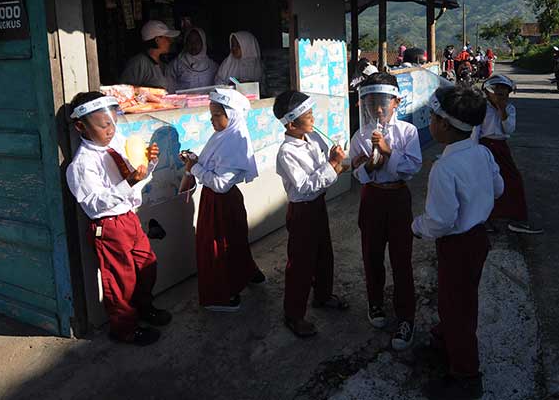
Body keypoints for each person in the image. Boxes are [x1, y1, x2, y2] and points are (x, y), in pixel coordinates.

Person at [412, 85, 504, 400]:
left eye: (434, 118)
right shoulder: (483, 152)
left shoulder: (444, 168)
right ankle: (444, 339)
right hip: (478, 239)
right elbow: (499, 189)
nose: (431, 122)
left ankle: (466, 375)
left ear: (447, 126)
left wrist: (417, 227)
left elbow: (441, 221)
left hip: (457, 245)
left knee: (458, 307)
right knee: (460, 299)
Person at [66, 92, 172, 346]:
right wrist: (128, 183)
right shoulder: (82, 164)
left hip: (129, 218)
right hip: (109, 225)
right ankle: (124, 327)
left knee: (147, 265)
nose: (111, 129)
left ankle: (143, 307)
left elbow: (137, 177)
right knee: (120, 278)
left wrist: (150, 161)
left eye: (113, 122)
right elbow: (94, 203)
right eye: (104, 125)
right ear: (81, 126)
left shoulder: (115, 145)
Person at [349, 73, 422, 350]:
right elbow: (357, 174)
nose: (377, 109)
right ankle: (375, 302)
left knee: (402, 259)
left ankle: (406, 316)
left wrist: (389, 152)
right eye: (371, 103)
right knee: (372, 253)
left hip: (397, 197)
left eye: (383, 103)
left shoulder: (407, 132)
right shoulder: (360, 135)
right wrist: (368, 166)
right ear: (363, 104)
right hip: (372, 199)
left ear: (396, 102)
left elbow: (413, 168)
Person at [179, 89, 266, 312]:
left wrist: (194, 167)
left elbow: (220, 184)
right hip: (219, 201)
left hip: (221, 201)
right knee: (234, 240)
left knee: (216, 246)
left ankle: (219, 295)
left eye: (217, 115)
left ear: (233, 115)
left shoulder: (235, 142)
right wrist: (197, 161)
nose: (212, 120)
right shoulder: (223, 135)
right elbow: (214, 167)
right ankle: (245, 273)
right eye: (211, 115)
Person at [274, 91, 349, 337]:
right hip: (302, 211)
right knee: (301, 263)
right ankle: (294, 314)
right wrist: (332, 165)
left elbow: (326, 170)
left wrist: (337, 163)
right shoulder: (287, 152)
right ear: (291, 124)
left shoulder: (312, 136)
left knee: (324, 253)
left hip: (317, 206)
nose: (313, 119)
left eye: (311, 113)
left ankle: (323, 295)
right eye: (307, 116)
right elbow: (305, 185)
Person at [479, 76, 543, 235]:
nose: (501, 97)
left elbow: (508, 129)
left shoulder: (510, 109)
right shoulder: (482, 108)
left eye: (505, 94)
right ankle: (484, 219)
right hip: (484, 146)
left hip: (501, 147)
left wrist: (502, 109)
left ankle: (517, 218)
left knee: (512, 180)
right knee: (483, 182)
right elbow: (475, 130)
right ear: (489, 93)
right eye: (497, 93)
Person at [120, 20, 180, 90]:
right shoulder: (139, 63)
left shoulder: (163, 63)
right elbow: (125, 89)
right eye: (167, 38)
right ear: (157, 40)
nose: (170, 42)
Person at [166, 28, 218, 92]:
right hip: (183, 101)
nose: (193, 44)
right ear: (185, 43)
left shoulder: (212, 66)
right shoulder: (176, 65)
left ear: (203, 42)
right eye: (190, 41)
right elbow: (170, 88)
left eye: (197, 41)